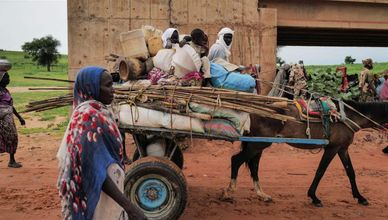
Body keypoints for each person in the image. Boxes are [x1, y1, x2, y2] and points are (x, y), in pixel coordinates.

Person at [57, 67, 146, 220]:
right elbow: (96, 171)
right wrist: (129, 207)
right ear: (91, 88)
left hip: (103, 190)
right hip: (97, 193)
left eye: (112, 85)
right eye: (107, 86)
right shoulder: (88, 117)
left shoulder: (93, 111)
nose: (113, 90)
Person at [0, 70, 25, 168]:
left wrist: (19, 117)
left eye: (8, 77)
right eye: (6, 77)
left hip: (8, 118)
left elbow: (11, 106)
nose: (8, 80)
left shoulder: (6, 91)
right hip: (2, 118)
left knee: (12, 137)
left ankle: (12, 160)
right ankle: (12, 160)